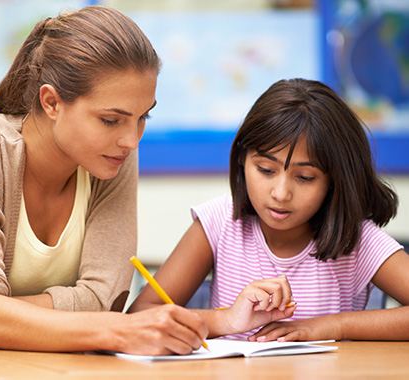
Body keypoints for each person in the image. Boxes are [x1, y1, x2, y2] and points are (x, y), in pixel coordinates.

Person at [0, 6, 209, 355]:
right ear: (52, 102)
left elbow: (104, 301)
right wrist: (114, 331)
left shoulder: (112, 159)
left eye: (143, 117)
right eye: (111, 120)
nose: (132, 140)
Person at [129, 78, 409, 342]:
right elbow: (140, 316)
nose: (280, 193)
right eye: (265, 170)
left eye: (305, 177)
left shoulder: (356, 239)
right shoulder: (219, 221)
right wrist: (227, 320)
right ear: (242, 158)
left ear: (334, 179)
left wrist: (330, 325)